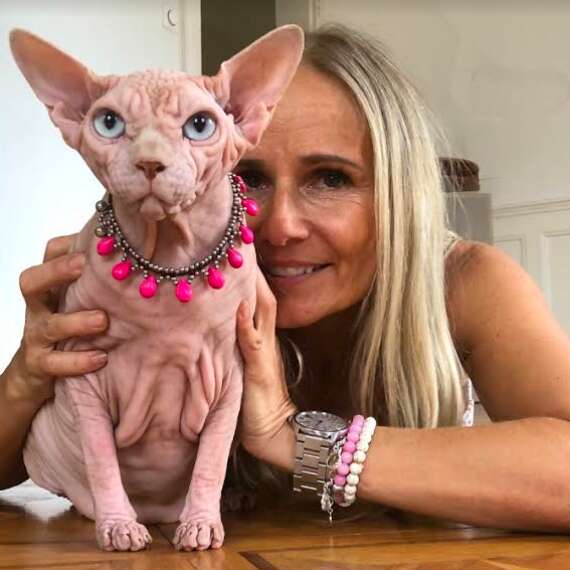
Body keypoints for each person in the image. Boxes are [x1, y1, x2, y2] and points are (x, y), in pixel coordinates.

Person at [2, 24, 570, 531]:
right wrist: (27, 379)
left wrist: (290, 436)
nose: (280, 227)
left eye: (330, 179)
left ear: (399, 194)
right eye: (248, 178)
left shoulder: (463, 281)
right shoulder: (141, 283)